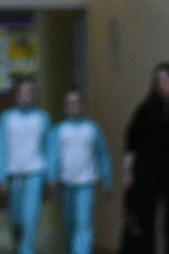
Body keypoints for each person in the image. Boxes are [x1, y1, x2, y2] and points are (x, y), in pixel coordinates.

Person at [122, 64, 169, 254]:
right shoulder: (146, 109)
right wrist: (128, 171)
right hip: (147, 168)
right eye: (160, 81)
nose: (164, 84)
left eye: (168, 79)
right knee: (145, 218)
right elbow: (132, 140)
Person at [44, 91, 110, 254]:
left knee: (83, 222)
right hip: (66, 182)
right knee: (69, 223)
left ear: (83, 105)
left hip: (86, 181)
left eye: (77, 102)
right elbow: (52, 156)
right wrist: (51, 177)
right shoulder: (58, 130)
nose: (74, 106)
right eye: (69, 103)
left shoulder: (92, 129)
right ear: (64, 106)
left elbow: (102, 154)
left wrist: (107, 179)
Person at [0, 79, 49, 254]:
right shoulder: (6, 118)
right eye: (22, 92)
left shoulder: (42, 118)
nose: (25, 96)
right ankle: (20, 246)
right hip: (13, 175)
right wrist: (0, 176)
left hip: (35, 173)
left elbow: (48, 148)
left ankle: (26, 249)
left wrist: (49, 176)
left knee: (30, 219)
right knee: (17, 220)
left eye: (29, 92)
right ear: (16, 95)